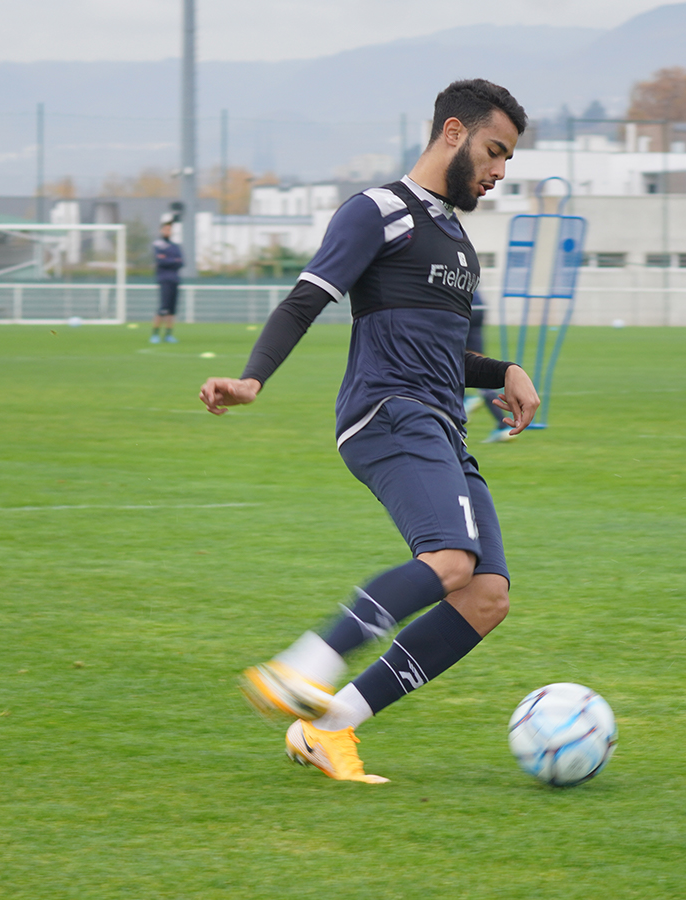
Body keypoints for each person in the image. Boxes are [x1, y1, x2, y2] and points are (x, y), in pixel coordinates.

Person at [198, 79, 537, 784]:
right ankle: (305, 663)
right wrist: (253, 378)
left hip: (440, 423)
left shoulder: (456, 240)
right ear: (453, 132)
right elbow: (307, 298)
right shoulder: (377, 211)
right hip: (388, 411)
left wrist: (504, 370)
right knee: (449, 558)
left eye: (507, 159)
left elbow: (443, 352)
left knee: (485, 595)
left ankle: (330, 729)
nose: (500, 171)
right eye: (495, 151)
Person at [465, 291, 517, 442]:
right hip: (478, 305)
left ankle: (465, 399)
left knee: (444, 356)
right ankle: (503, 425)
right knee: (476, 362)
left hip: (459, 305)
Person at [151, 214, 183, 343]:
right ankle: (155, 334)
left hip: (175, 279)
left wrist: (169, 260)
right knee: (163, 308)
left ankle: (169, 334)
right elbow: (161, 261)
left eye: (170, 229)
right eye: (166, 229)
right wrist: (173, 261)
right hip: (164, 279)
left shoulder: (175, 246)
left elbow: (181, 262)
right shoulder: (158, 244)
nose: (168, 231)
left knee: (172, 310)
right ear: (161, 230)